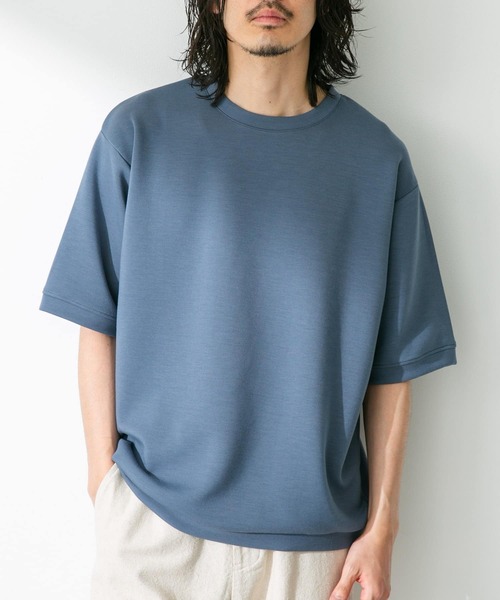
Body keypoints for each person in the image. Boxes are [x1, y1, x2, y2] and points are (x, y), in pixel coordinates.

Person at [38, 1, 457, 599]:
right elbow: (96, 318)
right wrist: (104, 484)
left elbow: (395, 366)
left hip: (316, 553)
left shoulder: (377, 158)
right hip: (153, 533)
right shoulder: (138, 133)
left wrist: (382, 527)